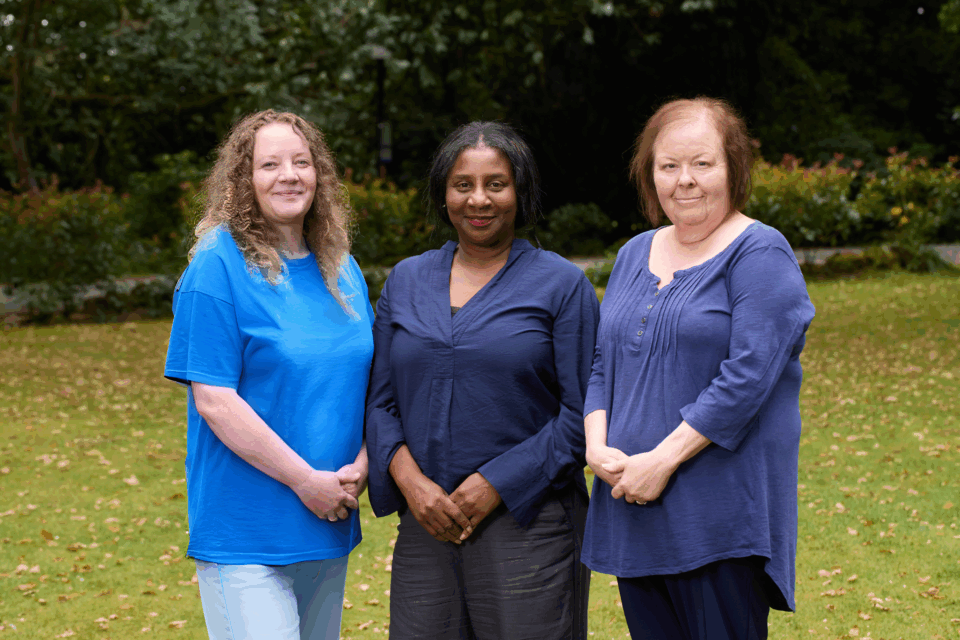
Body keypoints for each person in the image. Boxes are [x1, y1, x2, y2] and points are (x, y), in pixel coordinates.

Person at [582, 97, 816, 640]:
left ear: (733, 167)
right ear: (650, 175)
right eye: (669, 166)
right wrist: (596, 448)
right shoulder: (633, 253)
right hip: (634, 510)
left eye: (702, 163)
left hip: (719, 518)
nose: (684, 181)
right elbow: (603, 362)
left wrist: (660, 462)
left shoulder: (759, 254)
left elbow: (747, 378)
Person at [365, 121, 599, 639]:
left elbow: (584, 412)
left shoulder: (561, 285)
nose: (479, 200)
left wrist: (497, 484)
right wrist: (411, 483)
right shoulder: (405, 281)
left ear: (521, 192)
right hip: (427, 526)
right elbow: (379, 404)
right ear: (442, 194)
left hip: (530, 523)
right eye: (462, 184)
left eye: (496, 183)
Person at [163, 110, 374, 640]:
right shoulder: (217, 264)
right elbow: (214, 400)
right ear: (243, 179)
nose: (289, 175)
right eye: (270, 164)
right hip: (246, 531)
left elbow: (370, 382)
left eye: (302, 162)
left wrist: (364, 465)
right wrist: (306, 481)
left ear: (318, 175)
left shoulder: (341, 269)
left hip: (327, 520)